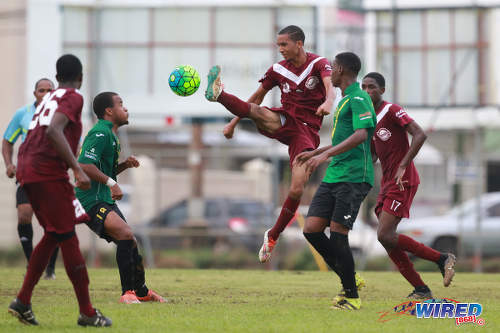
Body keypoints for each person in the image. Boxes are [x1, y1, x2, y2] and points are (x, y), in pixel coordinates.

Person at [205, 25, 335, 263]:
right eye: (278, 45)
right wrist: (233, 123)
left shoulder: (319, 64)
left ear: (299, 43)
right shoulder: (277, 70)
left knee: (296, 188)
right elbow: (256, 98)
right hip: (284, 120)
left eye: (284, 44)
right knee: (259, 112)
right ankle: (219, 94)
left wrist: (328, 103)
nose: (280, 49)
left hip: (306, 133)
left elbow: (330, 87)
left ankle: (273, 235)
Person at [8, 54, 111, 327]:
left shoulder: (49, 98)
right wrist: (76, 168)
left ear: (56, 77)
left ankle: (22, 301)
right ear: (80, 77)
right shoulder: (73, 96)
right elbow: (54, 131)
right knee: (68, 237)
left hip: (28, 168)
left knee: (53, 234)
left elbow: (42, 131)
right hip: (46, 173)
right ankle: (87, 312)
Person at [362, 72, 456, 299]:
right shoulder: (368, 118)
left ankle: (442, 258)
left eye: (371, 87)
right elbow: (374, 155)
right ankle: (421, 289)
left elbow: (420, 134)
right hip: (387, 183)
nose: (366, 91)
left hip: (403, 181)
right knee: (387, 239)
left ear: (382, 90)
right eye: (363, 87)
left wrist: (404, 164)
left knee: (384, 234)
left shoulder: (392, 110)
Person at [296, 52, 376, 310]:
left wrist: (326, 155)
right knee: (311, 229)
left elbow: (361, 135)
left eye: (332, 67)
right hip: (335, 175)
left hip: (354, 177)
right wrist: (317, 152)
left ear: (341, 69)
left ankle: (351, 297)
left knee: (339, 234)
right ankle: (350, 277)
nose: (330, 71)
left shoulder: (360, 97)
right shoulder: (343, 100)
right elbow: (344, 138)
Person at [75, 92, 165, 304]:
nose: (126, 109)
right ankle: (127, 293)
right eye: (121, 105)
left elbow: (102, 169)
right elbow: (84, 165)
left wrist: (124, 165)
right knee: (125, 233)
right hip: (90, 199)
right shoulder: (100, 133)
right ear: (109, 111)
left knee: (130, 240)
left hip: (103, 198)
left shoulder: (111, 136)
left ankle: (141, 291)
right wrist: (112, 183)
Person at [2, 78, 60, 280]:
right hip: (27, 174)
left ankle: (50, 268)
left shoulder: (62, 114)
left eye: (49, 90)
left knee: (54, 222)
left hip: (53, 175)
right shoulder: (23, 114)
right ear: (35, 93)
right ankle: (31, 264)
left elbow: (76, 143)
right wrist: (9, 164)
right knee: (24, 214)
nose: (45, 93)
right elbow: (8, 141)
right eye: (41, 90)